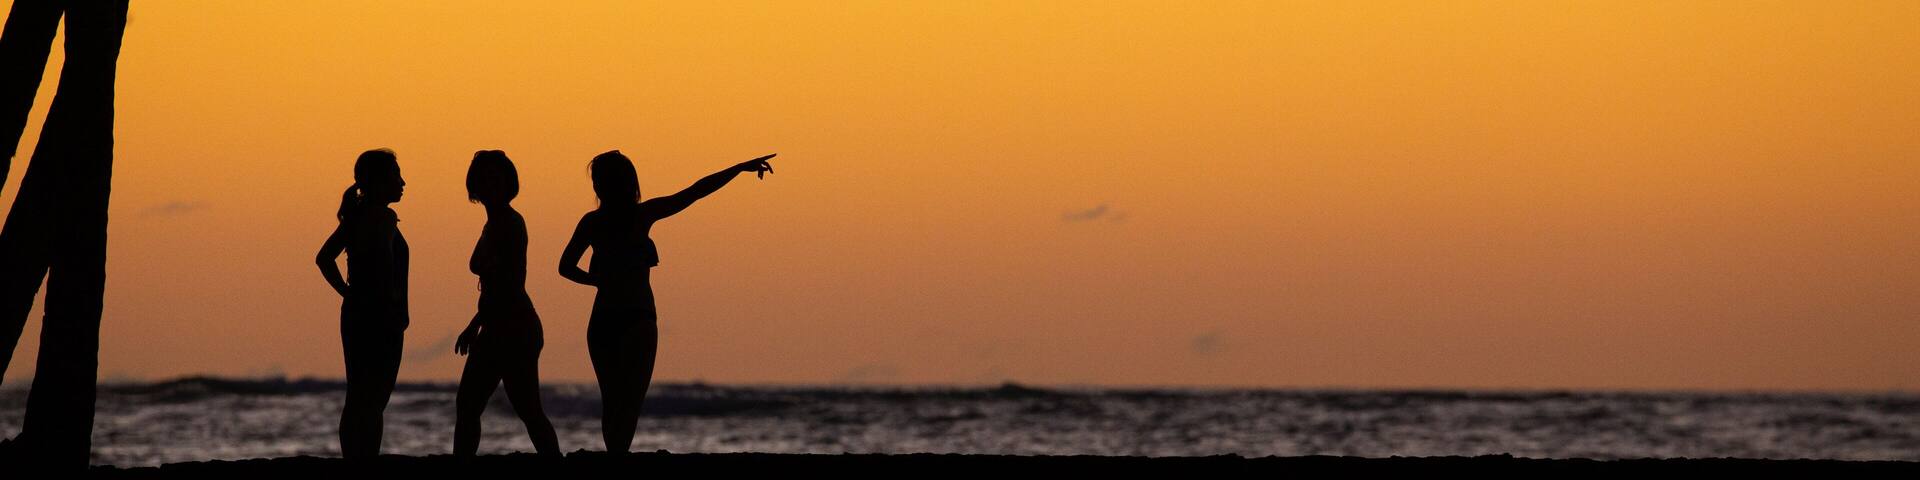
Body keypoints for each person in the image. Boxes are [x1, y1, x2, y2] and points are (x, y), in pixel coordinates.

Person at [559, 150, 774, 452]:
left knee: (617, 400)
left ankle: (615, 455)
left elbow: (695, 192)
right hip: (626, 319)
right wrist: (738, 168)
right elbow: (694, 192)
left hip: (618, 319)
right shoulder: (626, 217)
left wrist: (737, 169)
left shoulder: (612, 219)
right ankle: (617, 456)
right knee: (625, 401)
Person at [452, 150, 561, 457]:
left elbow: (510, 285)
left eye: (495, 177)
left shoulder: (509, 224)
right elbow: (496, 288)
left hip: (513, 325)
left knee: (522, 407)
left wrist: (476, 326)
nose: (489, 183)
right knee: (472, 405)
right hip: (498, 322)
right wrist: (476, 325)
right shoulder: (494, 223)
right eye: (484, 177)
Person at [315, 149, 410, 459]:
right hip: (380, 316)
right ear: (380, 181)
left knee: (357, 394)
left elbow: (324, 258)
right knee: (375, 397)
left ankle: (353, 459)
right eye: (396, 175)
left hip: (356, 313)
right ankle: (366, 458)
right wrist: (392, 304)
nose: (403, 182)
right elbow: (383, 259)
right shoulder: (383, 216)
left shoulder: (356, 216)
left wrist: (347, 292)